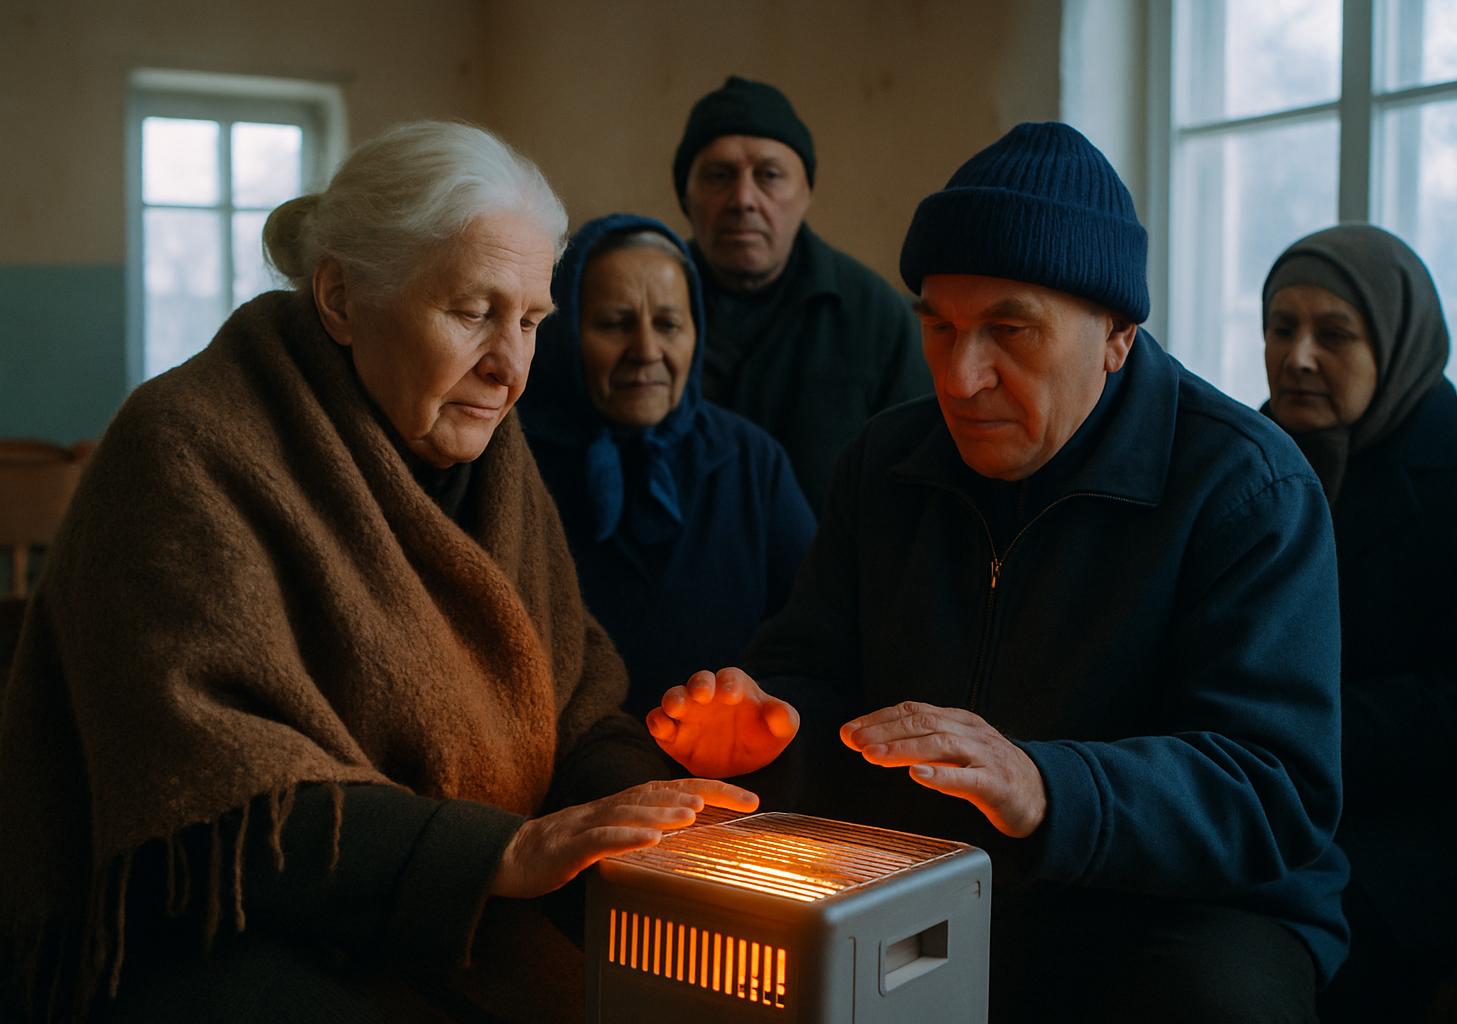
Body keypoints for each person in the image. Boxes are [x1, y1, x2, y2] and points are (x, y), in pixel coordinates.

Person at [0, 122, 756, 1024]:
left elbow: (574, 705)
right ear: (342, 297)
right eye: (474, 312)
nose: (511, 368)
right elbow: (208, 801)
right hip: (217, 939)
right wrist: (496, 858)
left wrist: (655, 795)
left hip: (451, 908)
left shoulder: (496, 464)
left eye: (531, 322)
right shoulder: (185, 450)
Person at [647, 122, 1350, 1022]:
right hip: (928, 874)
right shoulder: (886, 462)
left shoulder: (1247, 488)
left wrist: (1046, 787)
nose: (961, 376)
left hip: (1180, 907)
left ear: (1118, 337)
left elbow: (1271, 786)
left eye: (1009, 330)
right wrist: (766, 729)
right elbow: (812, 672)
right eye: (939, 328)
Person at [1259, 224, 1457, 1023]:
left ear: (1401, 343)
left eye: (1334, 333)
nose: (1298, 355)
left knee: (1267, 951)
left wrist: (1290, 737)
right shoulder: (1242, 460)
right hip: (1256, 791)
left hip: (1421, 827)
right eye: (1282, 328)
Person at [519, 213, 816, 719]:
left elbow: (815, 642)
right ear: (563, 331)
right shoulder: (515, 458)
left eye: (669, 324)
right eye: (614, 324)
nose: (647, 351)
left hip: (727, 772)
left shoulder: (749, 462)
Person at [672, 75, 931, 513]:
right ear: (686, 195)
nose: (743, 199)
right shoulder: (649, 308)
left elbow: (918, 479)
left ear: (806, 191)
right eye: (719, 176)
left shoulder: (872, 313)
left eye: (769, 175)